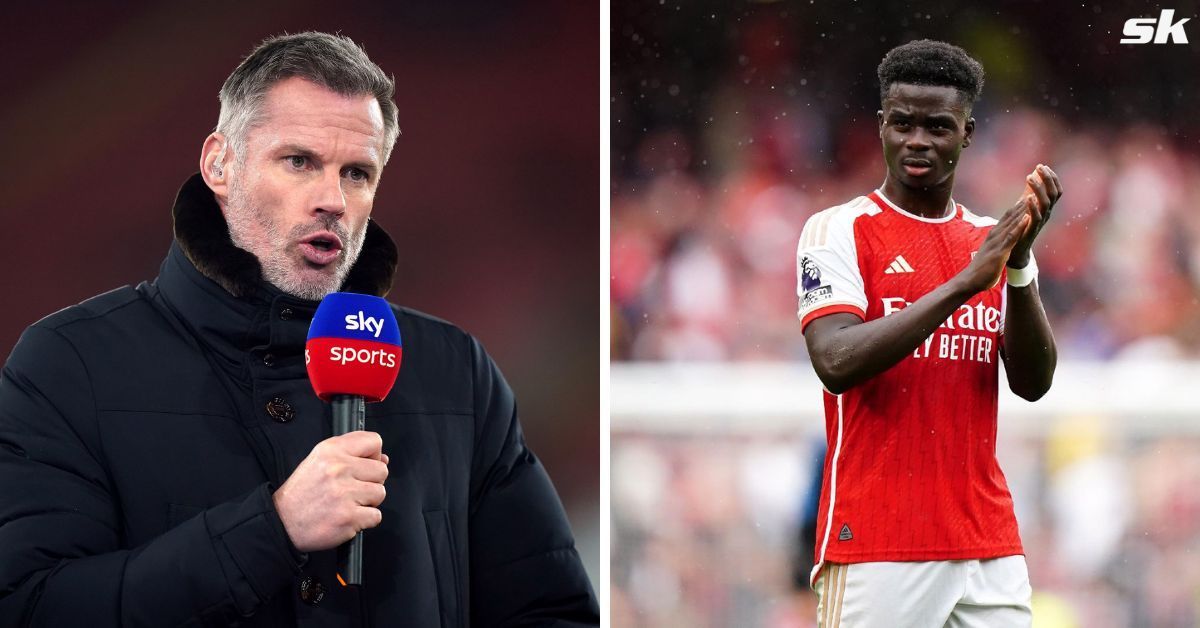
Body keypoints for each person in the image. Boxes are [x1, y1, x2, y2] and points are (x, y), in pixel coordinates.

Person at [0, 32, 598, 627]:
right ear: (219, 163)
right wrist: (273, 528)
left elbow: (552, 610)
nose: (333, 199)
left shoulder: (456, 370)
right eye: (299, 161)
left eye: (358, 173)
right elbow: (29, 607)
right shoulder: (68, 362)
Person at [795, 39, 1061, 627]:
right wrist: (966, 282)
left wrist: (1017, 267)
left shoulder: (991, 241)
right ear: (882, 126)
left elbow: (1034, 383)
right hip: (876, 544)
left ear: (967, 133)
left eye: (938, 126)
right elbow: (836, 360)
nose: (918, 140)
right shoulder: (837, 230)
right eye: (903, 123)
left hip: (988, 543)